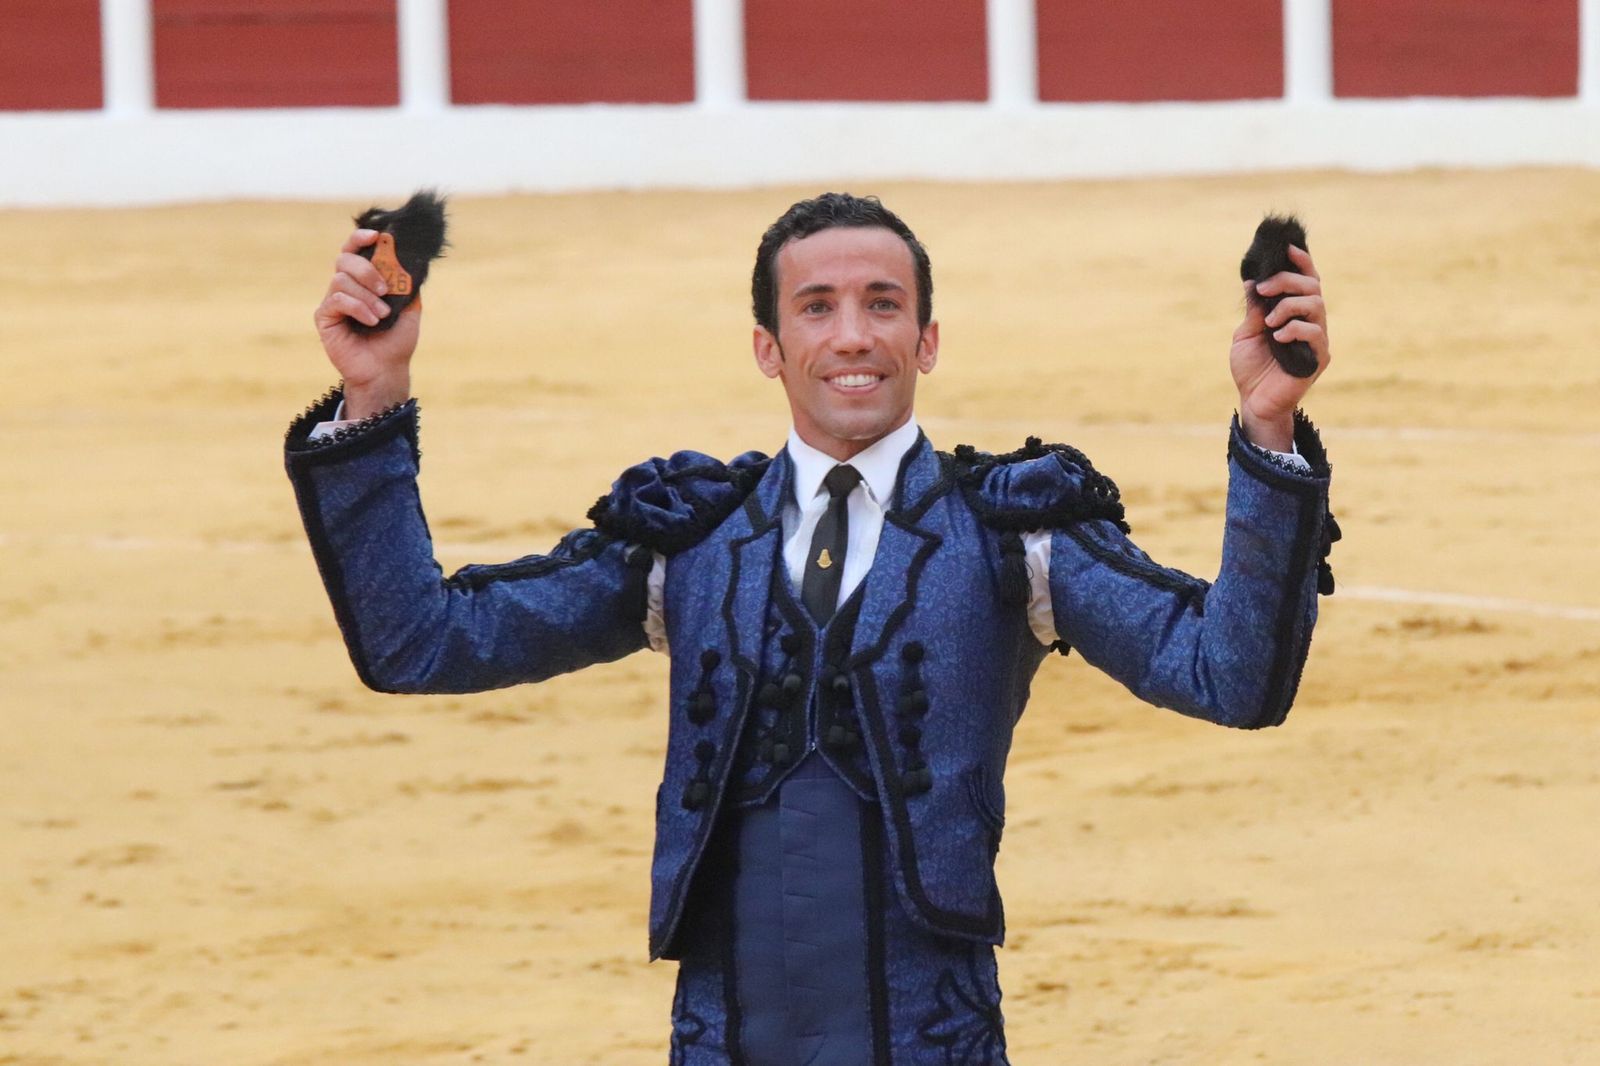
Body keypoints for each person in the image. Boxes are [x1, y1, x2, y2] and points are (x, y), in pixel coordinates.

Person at [286, 193, 1336, 1065]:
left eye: (883, 305)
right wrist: (375, 397)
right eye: (817, 305)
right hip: (727, 1034)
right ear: (767, 345)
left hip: (928, 1036)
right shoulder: (687, 539)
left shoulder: (1011, 534)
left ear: (925, 339)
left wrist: (1266, 428)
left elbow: (1230, 675)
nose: (851, 336)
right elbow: (421, 642)